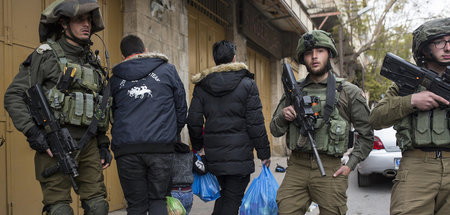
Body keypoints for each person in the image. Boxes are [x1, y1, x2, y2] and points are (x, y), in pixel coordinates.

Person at [4, 0, 112, 214]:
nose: (87, 25)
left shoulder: (92, 62)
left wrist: (102, 143)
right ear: (63, 24)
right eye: (80, 19)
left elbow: (99, 106)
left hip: (88, 143)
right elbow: (13, 96)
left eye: (89, 20)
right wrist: (34, 132)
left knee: (98, 205)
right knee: (59, 209)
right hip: (54, 142)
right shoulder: (45, 56)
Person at [270, 30, 373, 214]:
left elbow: (366, 136)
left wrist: (350, 165)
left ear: (329, 54)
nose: (314, 56)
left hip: (331, 167)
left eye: (320, 51)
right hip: (297, 167)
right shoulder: (294, 91)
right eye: (309, 53)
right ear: (303, 58)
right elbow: (275, 130)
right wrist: (283, 116)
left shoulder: (348, 92)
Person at [370, 18, 450, 215]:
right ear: (424, 49)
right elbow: (375, 118)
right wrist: (411, 101)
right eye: (440, 42)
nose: (448, 48)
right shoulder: (406, 83)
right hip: (416, 167)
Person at [187, 40, 271, 215]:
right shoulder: (247, 84)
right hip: (239, 156)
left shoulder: (202, 86)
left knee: (225, 197)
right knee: (231, 200)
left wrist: (198, 146)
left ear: (216, 60)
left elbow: (193, 120)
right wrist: (264, 153)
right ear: (234, 58)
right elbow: (255, 122)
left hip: (214, 155)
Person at [110, 35, 187, 214]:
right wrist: (170, 134)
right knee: (158, 200)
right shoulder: (167, 70)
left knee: (136, 205)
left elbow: (111, 113)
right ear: (145, 51)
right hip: (161, 148)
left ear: (123, 56)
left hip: (127, 149)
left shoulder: (115, 79)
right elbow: (181, 108)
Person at [170, 143, 194, 214]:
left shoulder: (170, 156)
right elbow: (201, 170)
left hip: (173, 191)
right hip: (187, 192)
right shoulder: (191, 155)